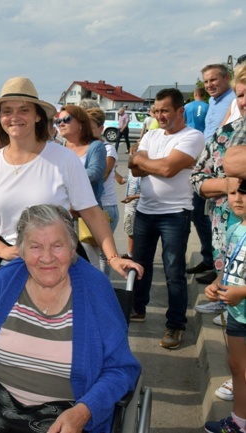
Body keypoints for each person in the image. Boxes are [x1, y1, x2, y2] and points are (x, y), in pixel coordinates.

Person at [0, 204, 140, 433]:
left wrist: (85, 410)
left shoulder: (96, 289)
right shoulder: (5, 281)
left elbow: (122, 368)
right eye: (35, 246)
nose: (47, 257)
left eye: (57, 245)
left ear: (72, 249)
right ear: (21, 250)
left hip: (66, 411)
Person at [0, 77, 140, 283]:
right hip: (6, 265)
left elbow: (92, 213)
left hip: (58, 264)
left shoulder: (64, 158)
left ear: (38, 117)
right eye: (7, 111)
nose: (14, 117)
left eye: (24, 110)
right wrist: (3, 250)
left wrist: (113, 258)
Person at [128, 88, 205, 349]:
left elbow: (167, 169)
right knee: (140, 267)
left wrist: (147, 160)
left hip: (175, 214)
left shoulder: (193, 136)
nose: (160, 115)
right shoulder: (151, 134)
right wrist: (155, 163)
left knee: (174, 273)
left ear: (180, 111)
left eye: (165, 111)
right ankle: (138, 309)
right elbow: (133, 167)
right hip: (145, 211)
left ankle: (175, 326)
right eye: (156, 110)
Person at [191, 65, 246, 402]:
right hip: (229, 238)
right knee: (234, 313)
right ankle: (236, 377)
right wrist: (228, 184)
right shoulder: (225, 135)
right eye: (241, 95)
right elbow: (197, 180)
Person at [203, 177, 246, 433]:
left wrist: (242, 292)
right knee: (237, 367)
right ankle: (239, 421)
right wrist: (216, 284)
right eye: (232, 193)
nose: (237, 198)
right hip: (236, 314)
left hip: (241, 305)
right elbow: (228, 269)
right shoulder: (234, 229)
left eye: (244, 193)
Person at [189, 64, 237, 285]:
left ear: (227, 78)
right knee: (201, 216)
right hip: (208, 165)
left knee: (219, 222)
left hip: (225, 169)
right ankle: (211, 259)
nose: (209, 85)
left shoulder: (234, 99)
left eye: (214, 80)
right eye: (206, 81)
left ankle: (218, 268)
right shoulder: (212, 101)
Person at [58, 105, 106, 271]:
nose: (61, 123)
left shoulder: (95, 147)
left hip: (86, 211)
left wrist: (64, 177)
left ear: (80, 123)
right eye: (58, 121)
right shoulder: (62, 147)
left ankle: (97, 293)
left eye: (66, 119)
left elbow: (95, 172)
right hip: (66, 212)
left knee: (90, 259)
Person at [88, 107, 120, 276]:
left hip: (105, 207)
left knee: (102, 255)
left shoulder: (107, 149)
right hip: (92, 207)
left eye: (91, 127)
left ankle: (102, 288)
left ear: (101, 128)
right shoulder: (88, 148)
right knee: (92, 255)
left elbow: (102, 175)